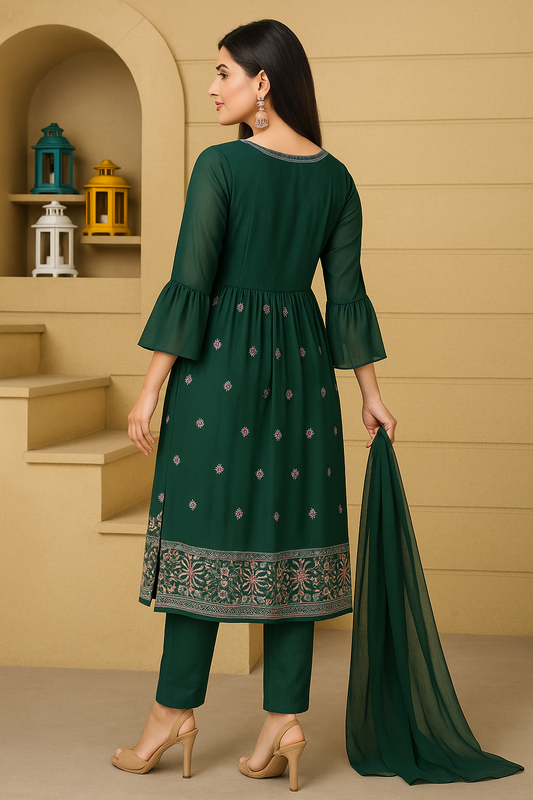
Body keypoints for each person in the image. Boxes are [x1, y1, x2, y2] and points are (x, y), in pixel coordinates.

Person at [112, 18, 396, 791]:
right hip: (302, 373)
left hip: (220, 368)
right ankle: (283, 720)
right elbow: (346, 301)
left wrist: (150, 386)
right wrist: (369, 397)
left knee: (203, 528)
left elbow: (192, 283)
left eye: (223, 73)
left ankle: (172, 714)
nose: (212, 87)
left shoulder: (221, 166)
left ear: (263, 82)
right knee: (295, 536)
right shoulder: (335, 178)